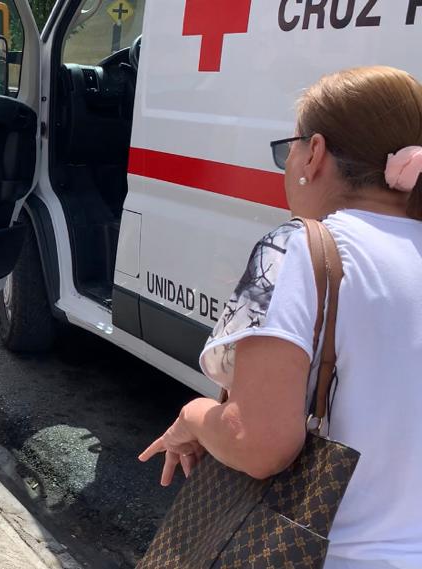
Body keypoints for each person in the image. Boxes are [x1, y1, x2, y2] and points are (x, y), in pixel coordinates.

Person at [140, 66, 422, 569]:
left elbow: (260, 444)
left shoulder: (299, 249)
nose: (286, 164)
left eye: (288, 148)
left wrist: (193, 417)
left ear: (314, 154)